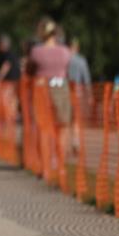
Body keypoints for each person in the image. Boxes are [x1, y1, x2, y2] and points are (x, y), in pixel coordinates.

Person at [26, 18, 72, 181]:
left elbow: (29, 70)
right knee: (62, 128)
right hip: (60, 87)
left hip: (41, 90)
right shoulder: (65, 51)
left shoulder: (36, 52)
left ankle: (45, 168)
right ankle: (61, 168)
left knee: (43, 130)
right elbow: (68, 68)